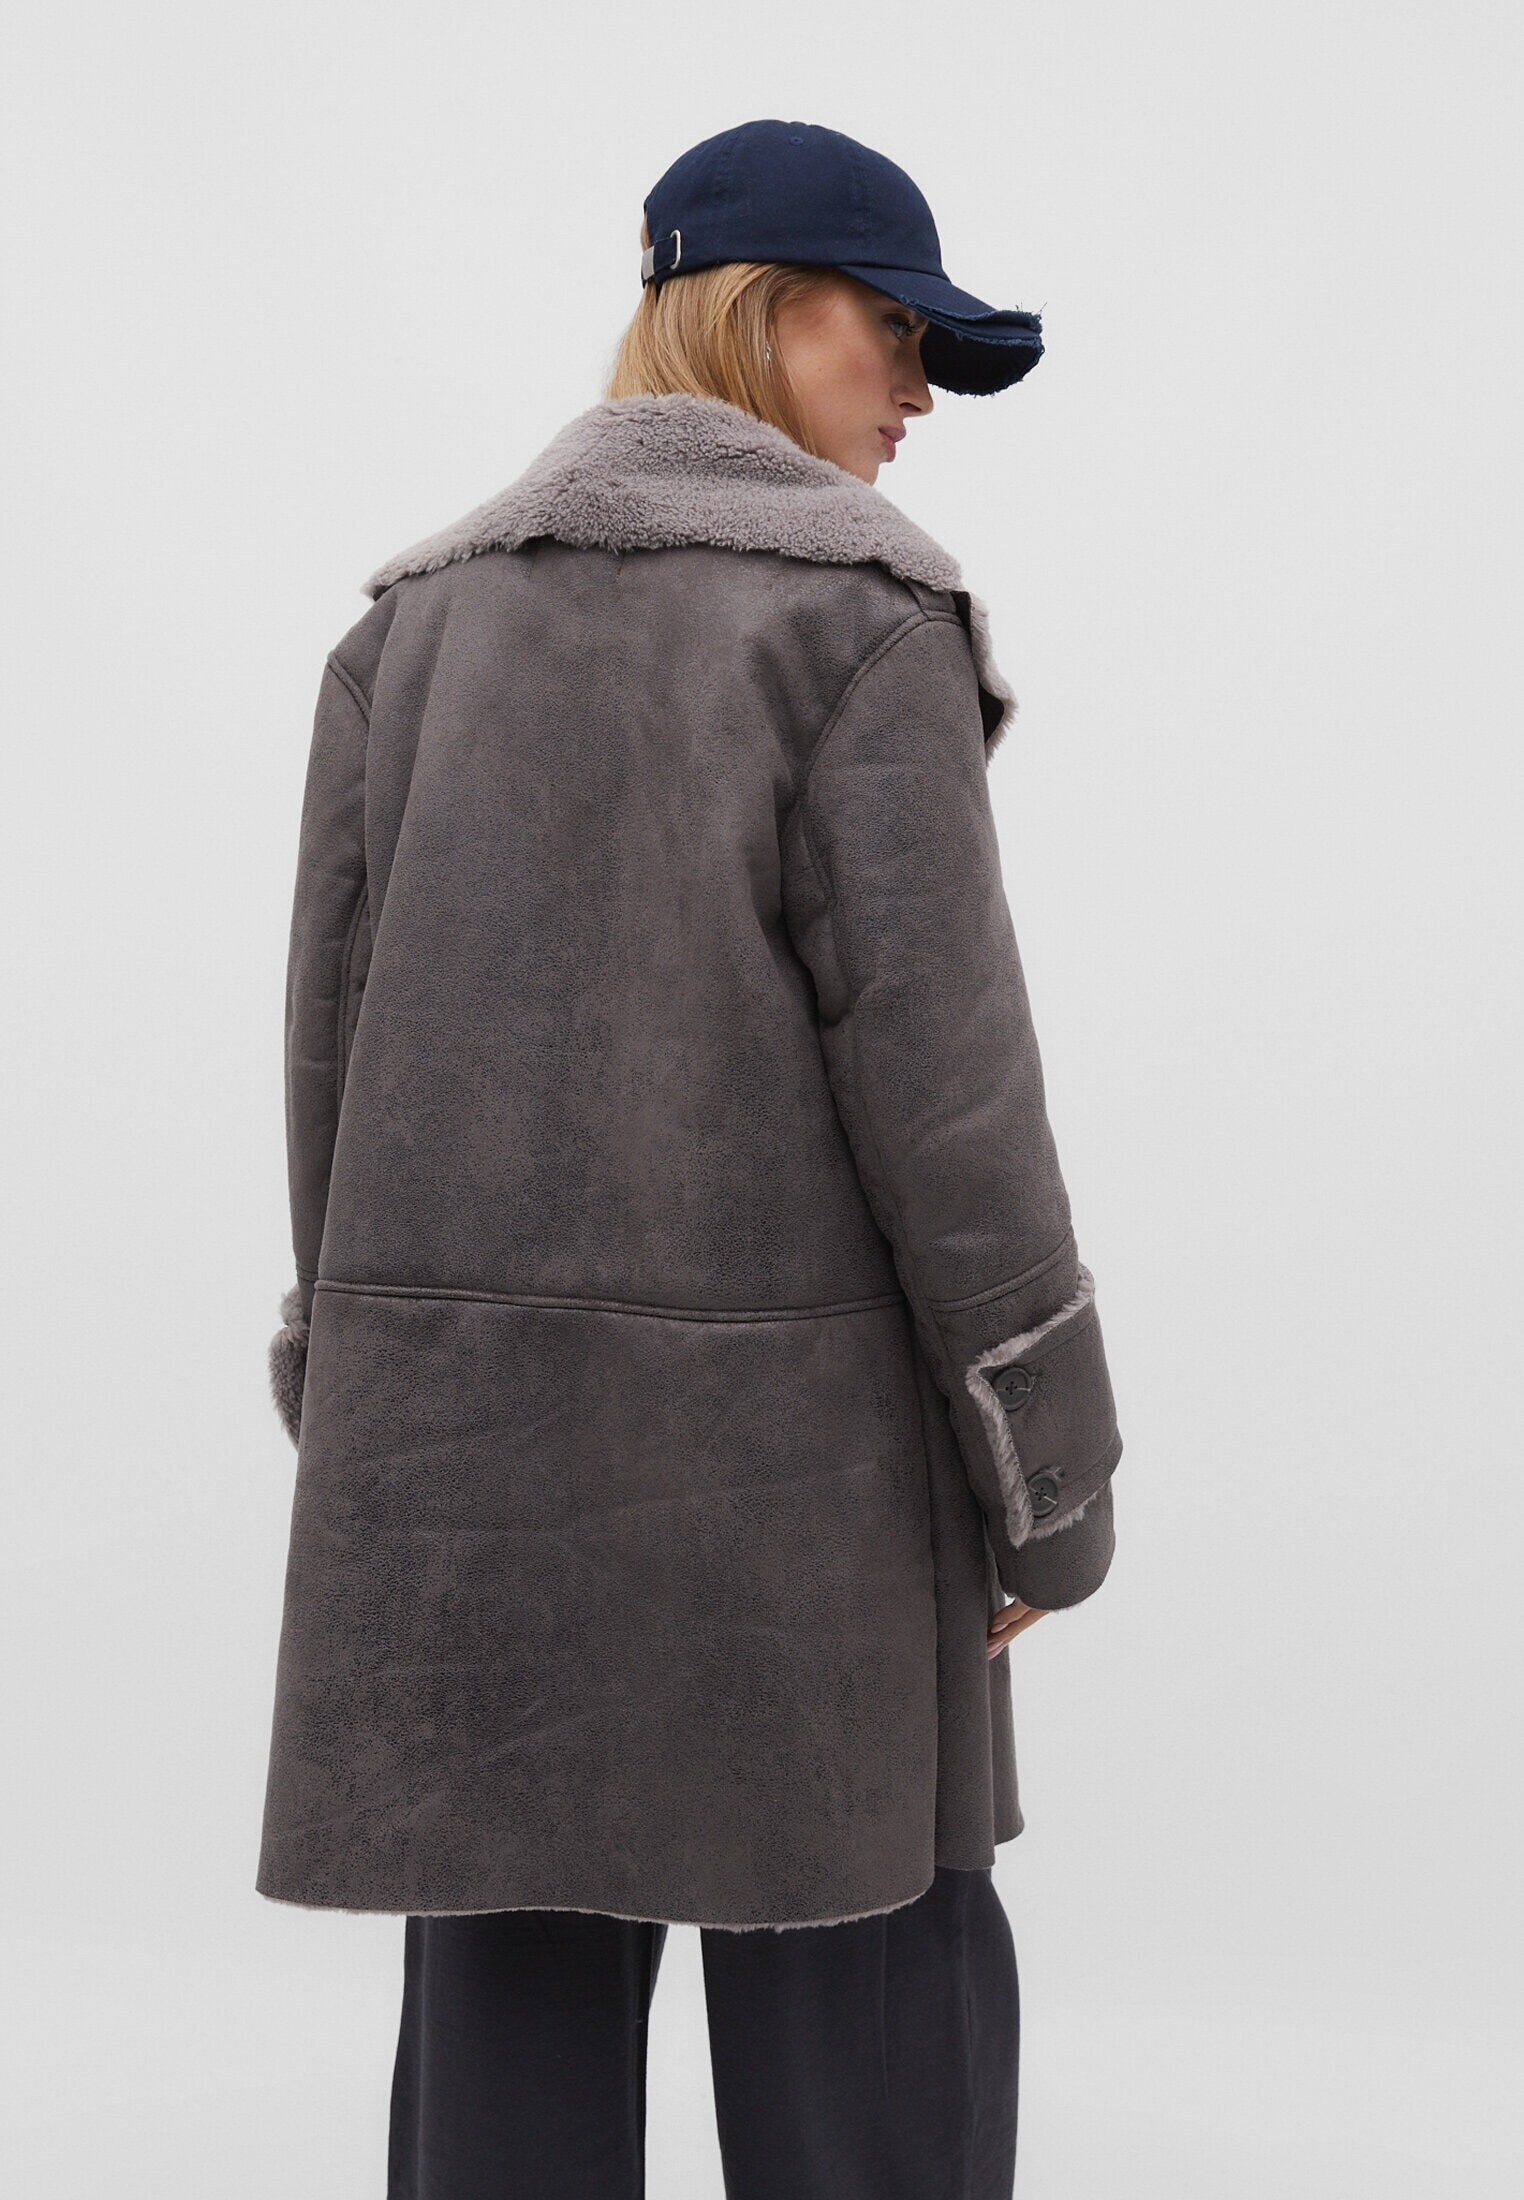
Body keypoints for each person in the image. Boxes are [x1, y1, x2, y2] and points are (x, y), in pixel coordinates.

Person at [258, 119, 1125, 2199]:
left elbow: (332, 1081)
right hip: (809, 1509)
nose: (919, 395)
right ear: (767, 313)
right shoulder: (862, 628)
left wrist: (369, 1402)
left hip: (473, 1493)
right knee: (868, 2042)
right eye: (897, 334)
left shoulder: (414, 633)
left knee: (507, 2056)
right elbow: (955, 1112)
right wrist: (1052, 1485)